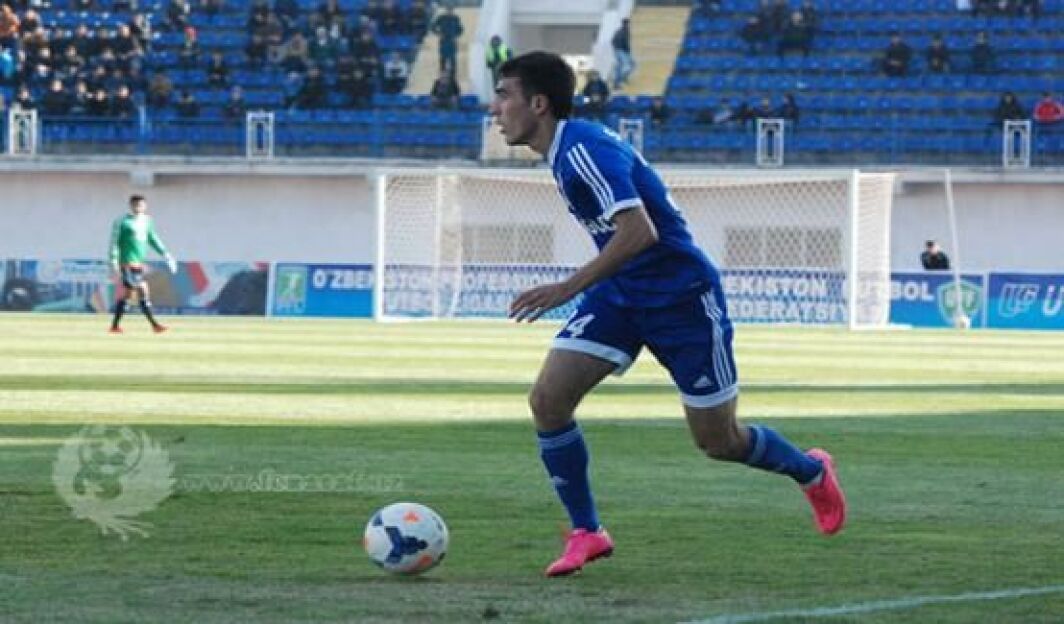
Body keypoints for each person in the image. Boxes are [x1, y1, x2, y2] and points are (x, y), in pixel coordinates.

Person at [489, 51, 846, 578]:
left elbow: (640, 232)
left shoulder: (583, 149)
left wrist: (565, 288)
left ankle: (811, 471)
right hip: (622, 294)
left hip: (682, 298)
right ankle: (588, 531)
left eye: (503, 96)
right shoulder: (566, 151)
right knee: (548, 399)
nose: (494, 109)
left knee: (718, 441)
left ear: (538, 104)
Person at [109, 194, 176, 333]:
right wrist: (114, 261)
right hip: (126, 263)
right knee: (142, 289)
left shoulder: (147, 221)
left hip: (139, 264)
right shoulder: (122, 222)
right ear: (130, 206)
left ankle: (115, 326)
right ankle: (155, 325)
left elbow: (153, 238)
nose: (138, 207)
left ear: (145, 206)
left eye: (140, 205)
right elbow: (114, 242)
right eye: (135, 205)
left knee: (128, 295)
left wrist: (166, 255)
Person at [610, 17, 634, 89]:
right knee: (624, 66)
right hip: (622, 51)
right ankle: (616, 83)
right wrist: (620, 49)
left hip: (621, 51)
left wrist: (616, 49)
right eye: (628, 23)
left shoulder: (620, 31)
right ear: (626, 24)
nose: (628, 25)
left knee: (630, 64)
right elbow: (624, 42)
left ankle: (623, 78)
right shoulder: (624, 32)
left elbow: (613, 41)